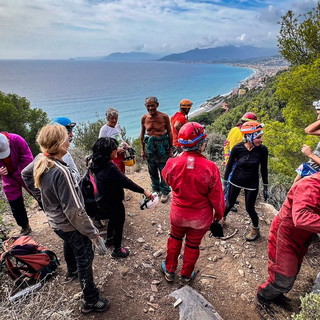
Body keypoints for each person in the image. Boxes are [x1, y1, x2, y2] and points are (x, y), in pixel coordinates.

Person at [33, 124, 109, 314]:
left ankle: (72, 271)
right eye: (66, 137)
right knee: (85, 258)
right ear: (59, 144)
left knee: (74, 250)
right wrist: (93, 233)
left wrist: (44, 202)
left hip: (56, 223)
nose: (69, 139)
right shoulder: (61, 171)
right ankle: (90, 300)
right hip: (71, 225)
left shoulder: (42, 161)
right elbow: (75, 210)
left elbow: (27, 176)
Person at [160, 122, 225, 284]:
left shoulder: (172, 163)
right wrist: (219, 215)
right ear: (201, 144)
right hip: (200, 218)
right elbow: (217, 197)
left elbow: (166, 180)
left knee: (175, 238)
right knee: (193, 245)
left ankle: (169, 270)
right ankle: (186, 275)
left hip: (178, 214)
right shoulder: (210, 167)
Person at [257, 172, 320, 310]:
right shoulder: (311, 185)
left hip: (301, 235)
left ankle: (276, 294)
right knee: (284, 273)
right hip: (285, 233)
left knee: (293, 270)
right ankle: (263, 296)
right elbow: (301, 217)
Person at [90, 137, 152, 258]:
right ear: (108, 152)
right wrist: (144, 191)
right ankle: (117, 250)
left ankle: (109, 240)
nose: (117, 151)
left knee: (112, 220)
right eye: (114, 149)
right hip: (114, 201)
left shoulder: (96, 163)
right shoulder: (110, 168)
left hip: (102, 200)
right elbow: (126, 182)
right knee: (119, 223)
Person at [222, 121, 269, 241]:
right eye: (258, 137)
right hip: (236, 180)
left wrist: (265, 186)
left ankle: (256, 229)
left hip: (251, 183)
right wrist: (225, 181)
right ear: (249, 137)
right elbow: (229, 165)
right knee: (229, 204)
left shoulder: (262, 150)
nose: (261, 140)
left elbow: (264, 168)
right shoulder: (238, 148)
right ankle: (220, 220)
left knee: (250, 208)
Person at [22, 116, 81, 208]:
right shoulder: (44, 158)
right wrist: (41, 197)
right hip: (66, 204)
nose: (72, 135)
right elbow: (25, 174)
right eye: (68, 133)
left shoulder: (60, 154)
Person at [140, 96, 173, 203]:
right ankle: (156, 189)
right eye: (148, 106)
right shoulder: (144, 118)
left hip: (162, 146)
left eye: (152, 105)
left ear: (157, 105)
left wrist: (171, 148)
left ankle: (165, 191)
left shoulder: (164, 117)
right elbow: (142, 133)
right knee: (152, 169)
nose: (150, 108)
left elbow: (170, 132)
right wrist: (142, 149)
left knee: (163, 169)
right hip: (150, 147)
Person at [0, 132, 33, 235]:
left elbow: (28, 159)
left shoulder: (17, 139)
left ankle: (52, 218)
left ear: (8, 141)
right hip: (8, 177)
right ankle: (24, 226)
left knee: (40, 194)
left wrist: (17, 174)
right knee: (14, 202)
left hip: (25, 173)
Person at [294, 100, 320, 182]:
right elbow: (308, 130)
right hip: (310, 168)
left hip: (315, 174)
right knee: (294, 188)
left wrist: (311, 155)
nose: (318, 118)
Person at [99, 107, 130, 174]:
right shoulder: (104, 129)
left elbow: (120, 139)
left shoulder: (117, 126)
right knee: (115, 175)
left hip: (121, 155)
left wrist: (125, 144)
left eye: (116, 118)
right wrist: (115, 149)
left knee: (122, 174)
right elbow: (101, 146)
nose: (114, 120)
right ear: (107, 119)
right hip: (112, 157)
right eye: (112, 118)